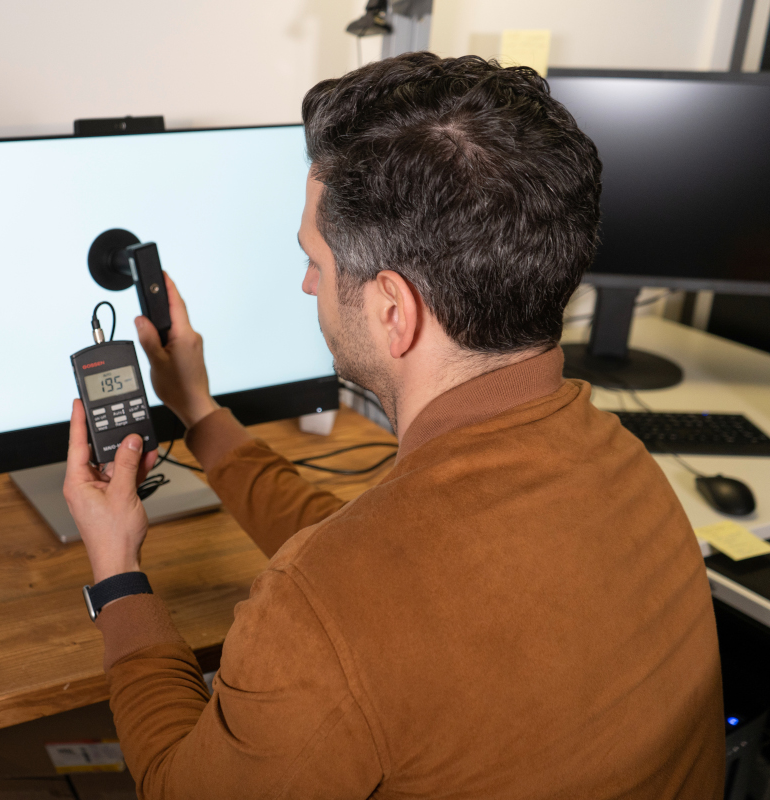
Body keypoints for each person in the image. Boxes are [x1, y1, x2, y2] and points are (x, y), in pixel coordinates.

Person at [63, 53, 724, 799]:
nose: (307, 281)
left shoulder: (327, 606)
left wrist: (117, 572)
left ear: (392, 310)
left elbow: (178, 787)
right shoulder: (630, 468)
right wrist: (202, 414)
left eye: (315, 258)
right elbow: (365, 566)